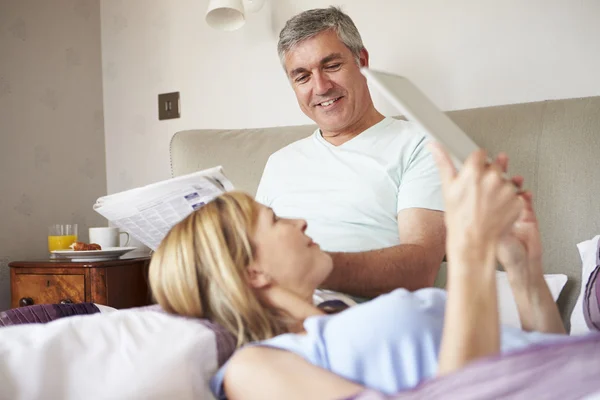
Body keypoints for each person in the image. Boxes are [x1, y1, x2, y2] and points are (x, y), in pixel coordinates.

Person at [148, 143, 594, 400]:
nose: (300, 222)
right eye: (276, 220)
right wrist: (469, 250)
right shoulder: (256, 368)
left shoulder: (342, 319)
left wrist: (522, 268)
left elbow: (539, 360)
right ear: (251, 271)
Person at [255, 7, 446, 298]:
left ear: (362, 62)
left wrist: (313, 267)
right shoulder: (279, 162)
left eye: (331, 66)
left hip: (352, 314)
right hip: (267, 311)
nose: (320, 87)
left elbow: (420, 268)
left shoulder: (418, 144)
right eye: (302, 76)